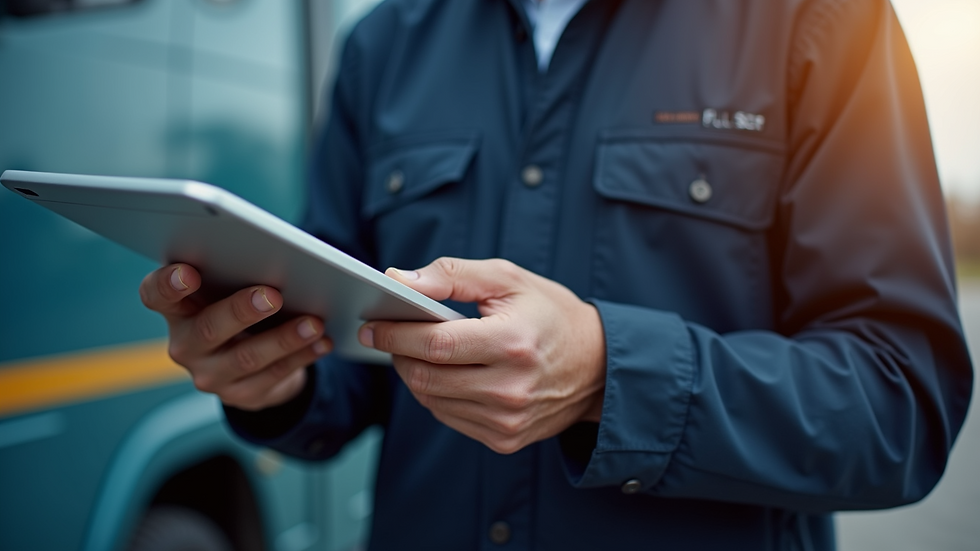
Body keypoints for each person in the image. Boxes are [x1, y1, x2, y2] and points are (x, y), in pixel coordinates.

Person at [139, 0, 974, 548]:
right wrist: (267, 378)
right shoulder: (384, 46)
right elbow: (350, 362)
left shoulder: (820, 22)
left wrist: (609, 375)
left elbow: (901, 401)